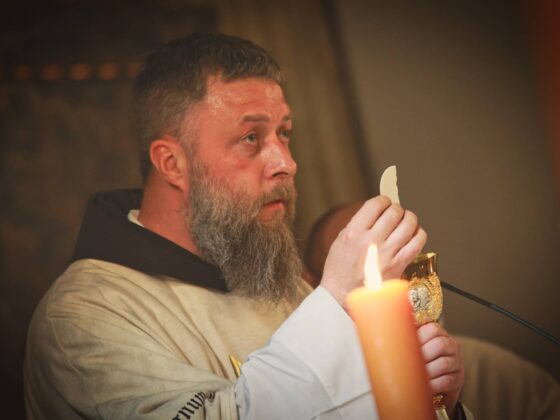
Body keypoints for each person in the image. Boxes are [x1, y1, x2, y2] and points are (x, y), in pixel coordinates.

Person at [24, 33, 469, 419]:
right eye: (251, 137)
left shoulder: (275, 281)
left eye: (284, 133)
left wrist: (424, 400)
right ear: (172, 163)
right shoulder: (81, 316)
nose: (286, 163)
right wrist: (335, 299)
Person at [304, 201, 560, 419]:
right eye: (361, 272)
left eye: (399, 264)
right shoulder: (306, 393)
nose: (394, 283)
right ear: (312, 285)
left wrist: (448, 410)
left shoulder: (487, 372)